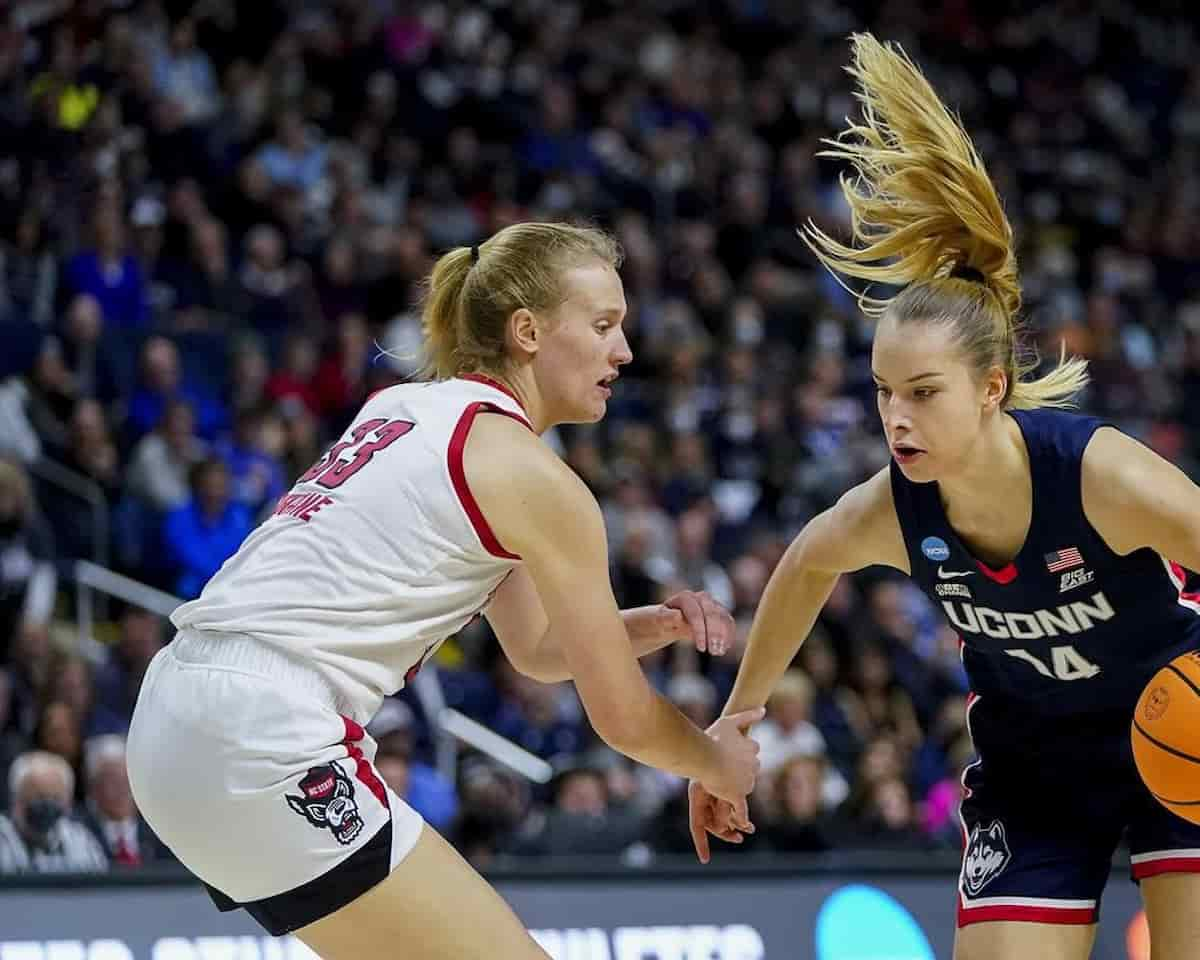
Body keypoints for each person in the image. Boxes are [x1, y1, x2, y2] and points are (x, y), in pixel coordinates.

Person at [688, 34, 1200, 960]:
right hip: (1035, 768)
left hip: (1182, 729)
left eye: (923, 394)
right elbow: (806, 564)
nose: (897, 418)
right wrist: (739, 715)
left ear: (993, 388)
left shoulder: (1101, 476)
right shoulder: (892, 507)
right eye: (885, 393)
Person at [126, 221, 762, 959]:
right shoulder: (532, 476)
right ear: (527, 331)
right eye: (603, 326)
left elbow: (537, 648)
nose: (623, 351)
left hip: (175, 714)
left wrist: (654, 625)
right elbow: (622, 719)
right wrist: (716, 762)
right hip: (267, 730)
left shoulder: (403, 409)